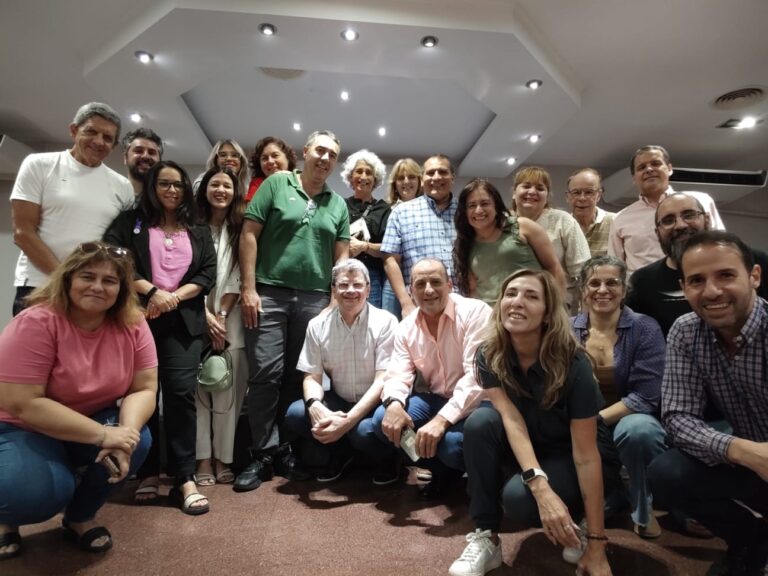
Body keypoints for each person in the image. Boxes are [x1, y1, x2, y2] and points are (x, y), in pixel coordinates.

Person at [450, 269, 616, 576]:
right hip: (532, 447)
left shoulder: (573, 362)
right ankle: (486, 536)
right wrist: (541, 488)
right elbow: (511, 419)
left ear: (548, 313)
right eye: (511, 294)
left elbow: (586, 455)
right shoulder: (489, 353)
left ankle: (582, 519)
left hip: (578, 454)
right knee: (480, 422)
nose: (517, 302)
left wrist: (597, 544)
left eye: (531, 296)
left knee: (517, 500)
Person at [0, 242, 157, 560]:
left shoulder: (133, 322)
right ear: (68, 278)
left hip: (89, 418)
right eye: (88, 276)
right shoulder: (36, 322)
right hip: (23, 426)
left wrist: (123, 436)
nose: (98, 287)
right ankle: (7, 519)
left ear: (121, 289)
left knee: (138, 440)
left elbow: (144, 388)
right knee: (29, 494)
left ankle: (79, 518)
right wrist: (103, 435)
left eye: (110, 281)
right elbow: (22, 403)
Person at [235, 130, 350, 493]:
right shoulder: (277, 183)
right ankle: (261, 454)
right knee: (265, 374)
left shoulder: (338, 204)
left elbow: (342, 257)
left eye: (332, 154)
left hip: (315, 299)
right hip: (269, 294)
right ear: (305, 152)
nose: (325, 158)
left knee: (296, 375)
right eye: (320, 150)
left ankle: (285, 450)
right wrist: (249, 288)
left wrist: (334, 301)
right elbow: (249, 234)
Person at [648, 231, 768, 576]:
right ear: (684, 288)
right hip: (748, 457)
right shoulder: (686, 331)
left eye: (726, 275)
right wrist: (744, 451)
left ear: (754, 276)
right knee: (666, 474)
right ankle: (750, 538)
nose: (712, 291)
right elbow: (677, 416)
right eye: (697, 280)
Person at [104, 160, 216, 515]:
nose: (171, 190)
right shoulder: (130, 223)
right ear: (152, 187)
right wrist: (151, 293)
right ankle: (148, 472)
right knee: (143, 394)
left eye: (178, 185)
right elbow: (117, 261)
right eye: (164, 184)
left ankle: (184, 477)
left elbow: (207, 271)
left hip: (184, 323)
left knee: (181, 395)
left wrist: (172, 297)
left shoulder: (198, 227)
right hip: (139, 318)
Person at [373, 259, 492, 494]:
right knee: (383, 421)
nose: (428, 290)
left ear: (450, 285)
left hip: (481, 405)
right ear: (411, 291)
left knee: (453, 446)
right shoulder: (406, 327)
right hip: (439, 399)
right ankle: (439, 469)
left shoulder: (475, 312)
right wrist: (394, 403)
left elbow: (477, 378)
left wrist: (441, 421)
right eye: (420, 284)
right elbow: (398, 373)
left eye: (436, 282)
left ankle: (480, 475)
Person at [571, 255, 666, 540]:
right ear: (583, 290)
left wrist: (594, 420)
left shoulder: (644, 328)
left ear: (624, 290)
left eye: (612, 283)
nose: (603, 290)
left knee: (640, 432)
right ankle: (608, 496)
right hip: (581, 415)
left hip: (628, 416)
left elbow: (647, 395)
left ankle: (643, 508)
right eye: (594, 283)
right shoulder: (566, 328)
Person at [10, 102, 134, 316]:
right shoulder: (39, 164)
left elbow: (122, 245)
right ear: (74, 130)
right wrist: (65, 280)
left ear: (114, 146)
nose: (98, 141)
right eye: (91, 132)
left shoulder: (122, 186)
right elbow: (23, 233)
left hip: (93, 294)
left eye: (107, 138)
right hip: (40, 286)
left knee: (83, 351)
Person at [283, 259, 398, 482]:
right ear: (333, 290)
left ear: (368, 289)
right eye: (343, 285)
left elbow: (383, 380)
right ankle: (340, 453)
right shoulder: (318, 325)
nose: (350, 291)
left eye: (357, 285)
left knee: (363, 431)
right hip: (341, 398)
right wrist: (314, 404)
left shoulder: (386, 322)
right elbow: (311, 376)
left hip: (376, 402)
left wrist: (348, 421)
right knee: (297, 414)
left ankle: (387, 459)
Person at [627, 192, 768, 336]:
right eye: (668, 220)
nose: (680, 225)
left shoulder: (754, 260)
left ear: (707, 220)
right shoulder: (643, 281)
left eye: (689, 215)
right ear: (657, 233)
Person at [193, 167, 249, 486]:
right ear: (205, 190)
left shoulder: (240, 229)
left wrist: (222, 317)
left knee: (228, 393)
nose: (221, 190)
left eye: (227, 185)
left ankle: (223, 459)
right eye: (214, 184)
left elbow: (239, 275)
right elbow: (183, 275)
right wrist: (204, 315)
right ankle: (202, 460)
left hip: (232, 320)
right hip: (194, 316)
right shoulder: (190, 228)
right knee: (200, 392)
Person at [608, 145, 724, 274]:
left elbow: (722, 246)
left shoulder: (701, 201)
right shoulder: (620, 219)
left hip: (699, 281)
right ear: (634, 178)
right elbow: (615, 268)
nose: (649, 169)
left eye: (655, 163)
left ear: (669, 169)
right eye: (641, 167)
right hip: (644, 290)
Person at [453, 178, 566, 305]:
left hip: (533, 310)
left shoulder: (524, 226)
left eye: (485, 203)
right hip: (491, 317)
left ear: (496, 205)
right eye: (471, 205)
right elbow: (472, 291)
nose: (478, 210)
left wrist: (557, 308)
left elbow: (553, 267)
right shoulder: (465, 244)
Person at [381, 155, 458, 318]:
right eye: (430, 173)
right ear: (423, 179)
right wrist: (405, 302)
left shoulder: (466, 211)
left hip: (460, 302)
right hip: (419, 303)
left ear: (452, 178)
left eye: (442, 172)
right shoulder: (401, 212)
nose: (436, 177)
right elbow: (390, 260)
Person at [510, 166, 590, 311]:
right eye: (526, 186)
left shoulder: (562, 220)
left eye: (540, 188)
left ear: (547, 195)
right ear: (514, 192)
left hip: (557, 305)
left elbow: (583, 270)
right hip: (514, 304)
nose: (532, 192)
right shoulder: (502, 223)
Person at [341, 149, 391, 308]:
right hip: (343, 273)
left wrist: (364, 246)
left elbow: (389, 248)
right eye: (359, 172)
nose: (363, 177)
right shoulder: (339, 205)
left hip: (371, 277)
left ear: (375, 179)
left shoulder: (384, 209)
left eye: (368, 173)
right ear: (350, 177)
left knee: (371, 323)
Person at [382, 157, 423, 318]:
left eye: (411, 177)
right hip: (392, 282)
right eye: (401, 178)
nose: (406, 182)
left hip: (419, 279)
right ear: (395, 184)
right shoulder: (386, 210)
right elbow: (385, 249)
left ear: (420, 181)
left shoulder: (429, 209)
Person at [565, 168, 615, 257]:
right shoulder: (562, 227)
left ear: (598, 195)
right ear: (567, 197)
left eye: (589, 192)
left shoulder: (615, 222)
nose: (582, 198)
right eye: (576, 192)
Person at [245, 136, 297, 202]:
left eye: (275, 155)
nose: (270, 161)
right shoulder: (257, 184)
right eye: (265, 158)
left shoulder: (299, 181)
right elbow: (250, 210)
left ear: (287, 158)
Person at [122, 127, 163, 197]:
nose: (146, 156)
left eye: (151, 152)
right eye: (139, 151)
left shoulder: (167, 202)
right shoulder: (111, 194)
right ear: (125, 158)